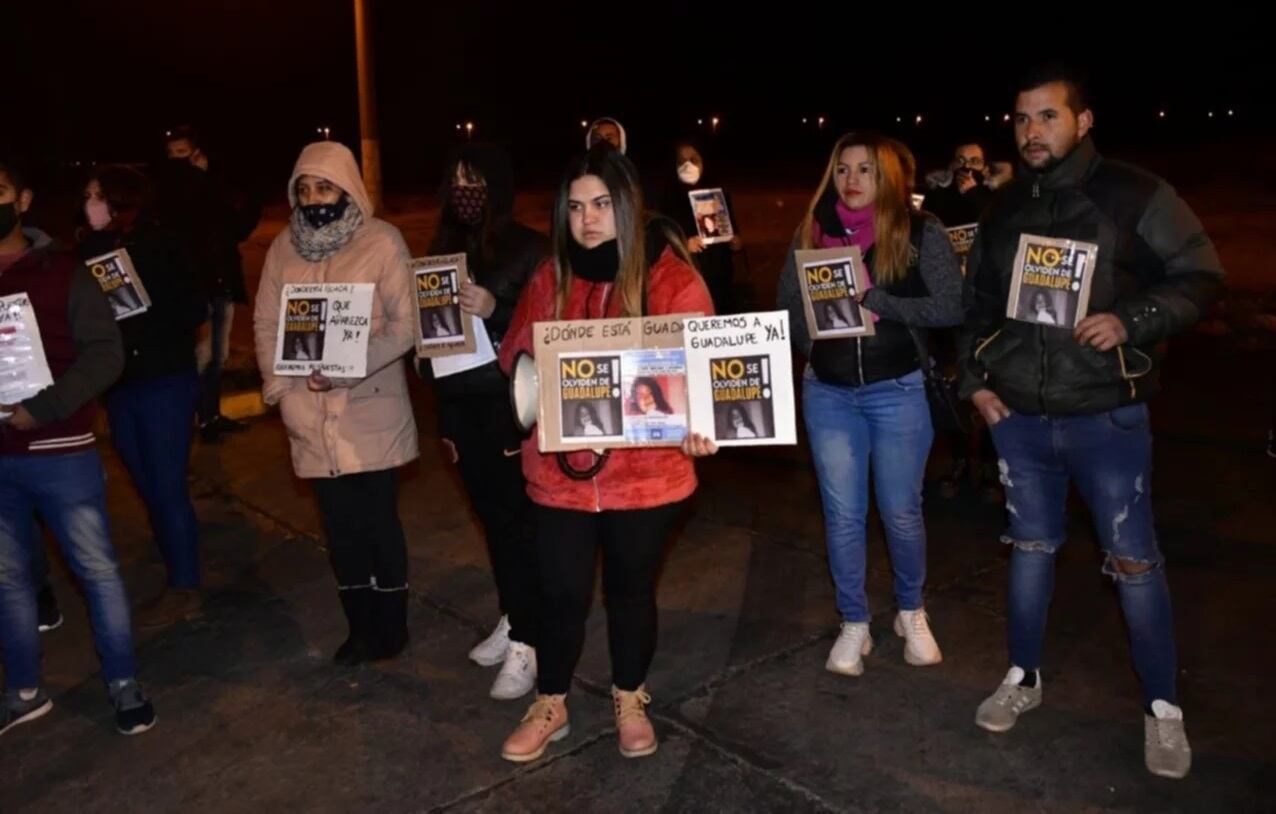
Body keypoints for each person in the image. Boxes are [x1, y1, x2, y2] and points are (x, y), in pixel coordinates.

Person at [959, 64, 1225, 780]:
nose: (1031, 132)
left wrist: (1131, 318)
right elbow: (977, 306)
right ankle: (1023, 677)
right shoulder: (1004, 207)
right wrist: (974, 383)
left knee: (1135, 564)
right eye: (1020, 119)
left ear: (1083, 121)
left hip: (1105, 419)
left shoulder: (1136, 194)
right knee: (1031, 551)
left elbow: (1200, 275)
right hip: (1018, 419)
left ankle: (1163, 711)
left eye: (1048, 117)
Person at [496, 145, 716, 763]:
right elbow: (515, 357)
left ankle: (629, 695)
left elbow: (701, 373)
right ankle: (551, 701)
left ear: (626, 205)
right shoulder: (550, 278)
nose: (587, 220)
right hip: (559, 480)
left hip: (645, 482)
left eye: (599, 204)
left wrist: (699, 425)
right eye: (573, 207)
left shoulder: (670, 279)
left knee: (630, 591)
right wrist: (542, 393)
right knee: (560, 592)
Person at [777, 131, 963, 678]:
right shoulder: (812, 234)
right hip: (830, 395)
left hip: (898, 389)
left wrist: (875, 300)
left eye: (865, 170)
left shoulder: (919, 232)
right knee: (842, 515)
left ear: (887, 178)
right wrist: (820, 353)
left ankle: (911, 610)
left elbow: (952, 306)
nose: (852, 181)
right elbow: (788, 306)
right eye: (843, 170)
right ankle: (854, 621)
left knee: (902, 512)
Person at [0, 153, 155, 737]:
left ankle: (123, 683)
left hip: (61, 452)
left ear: (22, 199)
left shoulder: (64, 270)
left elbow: (105, 354)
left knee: (97, 571)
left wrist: (40, 409)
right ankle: (23, 690)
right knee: (9, 581)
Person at [253, 142, 417, 666]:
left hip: (369, 408)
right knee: (340, 530)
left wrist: (350, 364)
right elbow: (264, 322)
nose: (313, 198)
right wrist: (278, 386)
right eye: (304, 189)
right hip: (308, 411)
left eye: (324, 187)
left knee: (377, 524)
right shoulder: (283, 248)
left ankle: (391, 626)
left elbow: (405, 325)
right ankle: (359, 626)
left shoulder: (382, 241)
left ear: (347, 188)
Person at [420, 143, 546, 700]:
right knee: (490, 519)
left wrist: (496, 309)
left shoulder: (529, 247)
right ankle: (512, 614)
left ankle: (530, 638)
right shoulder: (443, 245)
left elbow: (547, 327)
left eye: (475, 179)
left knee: (517, 523)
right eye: (456, 180)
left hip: (503, 404)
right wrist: (421, 351)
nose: (465, 191)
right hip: (456, 403)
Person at [78, 166, 207, 631]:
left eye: (98, 195)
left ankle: (186, 586)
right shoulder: (87, 249)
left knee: (168, 483)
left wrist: (141, 313)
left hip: (163, 379)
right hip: (120, 386)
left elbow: (194, 307)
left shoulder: (163, 243)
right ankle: (175, 559)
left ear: (121, 199)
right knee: (144, 483)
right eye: (87, 195)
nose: (90, 203)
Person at [161, 126, 262, 443]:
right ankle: (189, 420)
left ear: (197, 154)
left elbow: (235, 229)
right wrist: (200, 180)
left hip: (221, 284)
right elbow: (182, 223)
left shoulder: (212, 188)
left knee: (217, 356)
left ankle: (210, 417)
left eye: (184, 153)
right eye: (173, 155)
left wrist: (252, 202)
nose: (180, 161)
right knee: (197, 357)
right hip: (192, 288)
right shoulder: (167, 194)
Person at [656, 141, 742, 313]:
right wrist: (682, 245)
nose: (688, 165)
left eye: (694, 160)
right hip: (685, 280)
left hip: (719, 277)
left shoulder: (718, 192)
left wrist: (735, 240)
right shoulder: (666, 198)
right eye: (682, 161)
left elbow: (734, 235)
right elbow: (659, 239)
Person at [923, 141, 994, 227]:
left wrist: (974, 194)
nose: (967, 166)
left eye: (974, 161)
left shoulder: (994, 194)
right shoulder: (937, 193)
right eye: (960, 161)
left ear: (985, 167)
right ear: (952, 165)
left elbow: (995, 223)